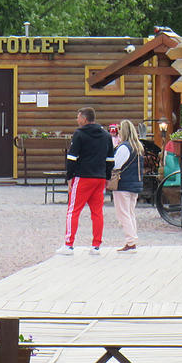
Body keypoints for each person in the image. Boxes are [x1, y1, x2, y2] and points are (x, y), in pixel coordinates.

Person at [59, 107, 114, 254]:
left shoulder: (79, 134)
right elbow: (110, 159)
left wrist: (69, 177)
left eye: (78, 117)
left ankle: (69, 244)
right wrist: (107, 176)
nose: (77, 120)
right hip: (100, 177)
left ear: (84, 119)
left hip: (82, 177)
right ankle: (96, 246)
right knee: (97, 212)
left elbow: (71, 158)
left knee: (73, 210)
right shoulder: (106, 135)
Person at [111, 119, 144, 253]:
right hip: (135, 182)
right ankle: (132, 239)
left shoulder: (124, 147)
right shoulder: (138, 147)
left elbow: (116, 165)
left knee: (123, 213)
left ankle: (131, 242)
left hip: (123, 183)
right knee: (130, 213)